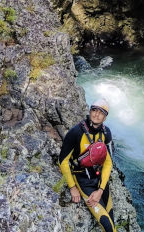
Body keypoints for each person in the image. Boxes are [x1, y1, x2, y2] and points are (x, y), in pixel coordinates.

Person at [59, 98, 116, 232]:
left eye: (101, 112)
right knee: (108, 227)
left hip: (99, 179)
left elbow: (108, 163)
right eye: (94, 110)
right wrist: (72, 187)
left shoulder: (106, 133)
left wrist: (100, 190)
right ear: (89, 111)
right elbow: (62, 161)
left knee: (112, 220)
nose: (96, 114)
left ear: (105, 117)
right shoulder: (76, 133)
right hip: (82, 179)